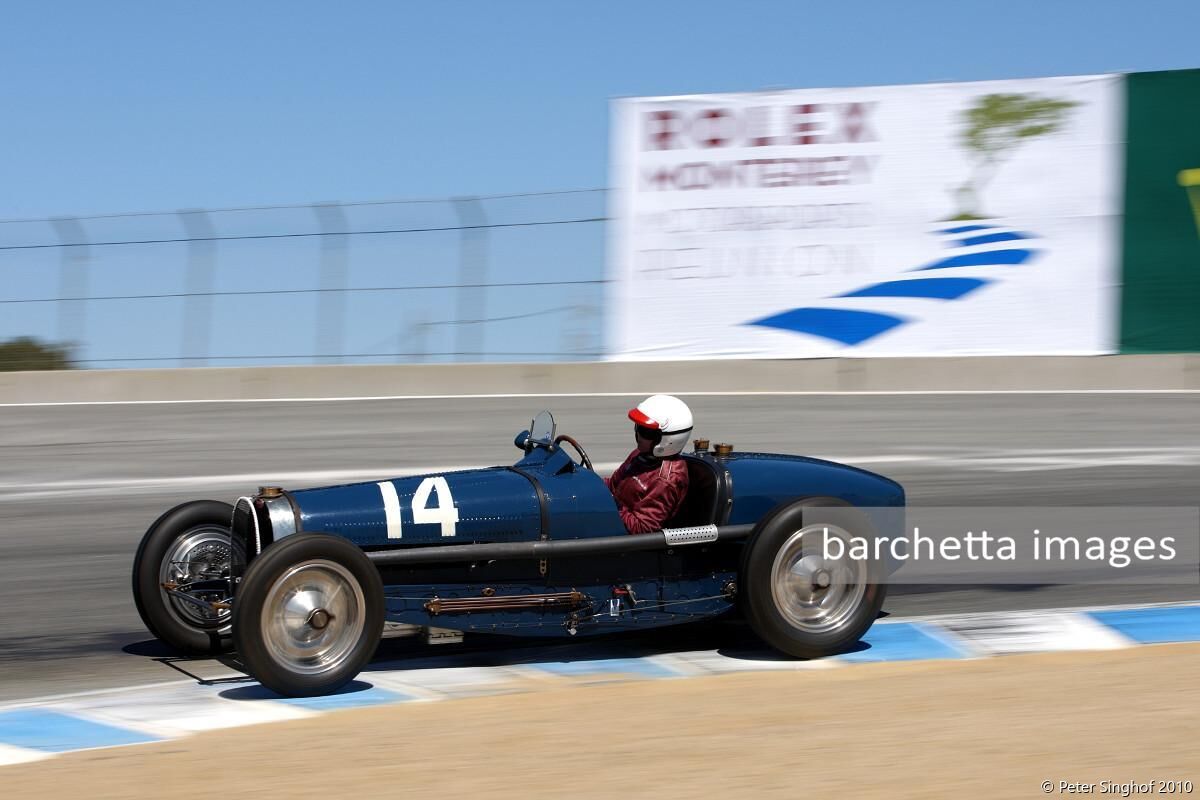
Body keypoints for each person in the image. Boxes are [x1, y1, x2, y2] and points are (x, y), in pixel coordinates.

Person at [605, 394, 692, 534]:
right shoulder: (640, 454)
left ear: (667, 439)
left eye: (645, 432)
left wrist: (610, 506)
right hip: (614, 520)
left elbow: (643, 528)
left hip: (631, 541)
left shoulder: (666, 480)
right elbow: (613, 484)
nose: (638, 435)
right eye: (638, 427)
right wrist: (592, 484)